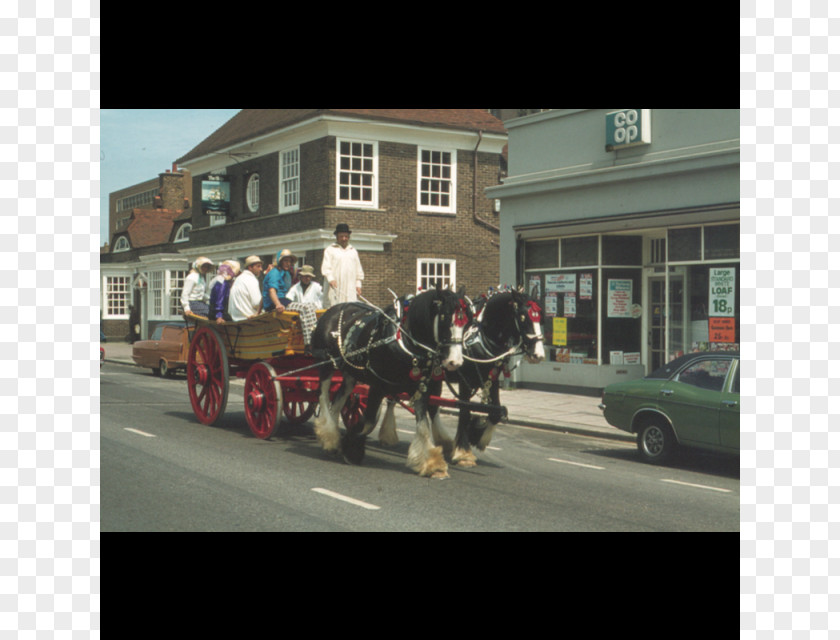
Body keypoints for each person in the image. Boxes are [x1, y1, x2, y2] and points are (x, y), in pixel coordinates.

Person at [321, 223, 364, 307]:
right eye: (341, 236)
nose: (344, 239)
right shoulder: (330, 250)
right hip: (335, 287)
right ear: (336, 236)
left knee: (350, 310)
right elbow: (326, 268)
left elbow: (358, 270)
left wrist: (358, 285)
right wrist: (331, 279)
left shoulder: (353, 251)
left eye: (346, 236)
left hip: (350, 288)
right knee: (334, 310)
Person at [286, 264, 323, 352]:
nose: (308, 279)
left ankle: (309, 343)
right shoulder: (295, 287)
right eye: (306, 276)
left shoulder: (317, 286)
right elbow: (288, 299)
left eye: (309, 277)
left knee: (309, 307)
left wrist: (316, 306)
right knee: (306, 307)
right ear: (301, 276)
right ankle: (310, 342)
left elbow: (322, 300)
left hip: (313, 311)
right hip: (301, 312)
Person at [228, 255, 264, 322]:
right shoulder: (251, 279)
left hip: (235, 317)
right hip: (247, 318)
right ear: (250, 267)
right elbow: (256, 303)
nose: (261, 269)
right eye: (258, 266)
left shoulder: (239, 278)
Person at [262, 249, 297, 313]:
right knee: (305, 308)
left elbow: (263, 295)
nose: (288, 263)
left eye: (290, 261)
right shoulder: (274, 273)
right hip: (273, 304)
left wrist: (258, 312)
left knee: (309, 306)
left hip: (282, 300)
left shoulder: (285, 274)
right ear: (280, 261)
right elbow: (271, 290)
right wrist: (278, 304)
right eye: (285, 261)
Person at [208, 260, 240, 324]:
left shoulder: (224, 281)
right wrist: (219, 316)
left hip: (222, 310)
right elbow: (219, 299)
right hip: (219, 313)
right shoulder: (222, 282)